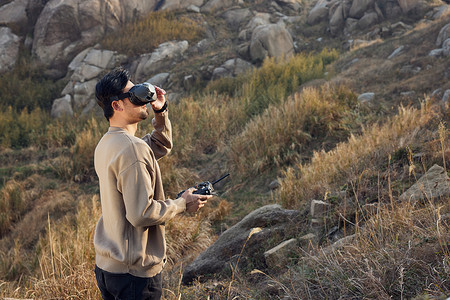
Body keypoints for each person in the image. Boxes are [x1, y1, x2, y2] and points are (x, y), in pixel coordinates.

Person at [93, 67, 212, 300]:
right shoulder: (132, 149)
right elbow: (141, 213)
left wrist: (161, 111)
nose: (143, 99)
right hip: (134, 274)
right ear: (117, 106)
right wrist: (181, 203)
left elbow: (160, 144)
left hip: (109, 268)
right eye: (134, 95)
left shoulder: (108, 143)